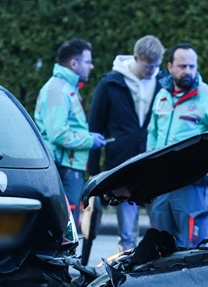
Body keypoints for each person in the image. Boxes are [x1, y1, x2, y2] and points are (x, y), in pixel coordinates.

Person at [147, 42, 208, 247]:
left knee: (194, 250)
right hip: (162, 185)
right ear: (170, 67)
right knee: (162, 248)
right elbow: (152, 133)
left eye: (192, 66)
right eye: (182, 66)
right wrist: (149, 170)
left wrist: (206, 172)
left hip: (192, 187)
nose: (187, 71)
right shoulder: (162, 95)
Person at [87, 35, 164, 254]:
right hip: (122, 165)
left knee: (160, 226)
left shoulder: (163, 83)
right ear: (136, 58)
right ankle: (126, 264)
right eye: (148, 66)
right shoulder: (110, 83)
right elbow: (95, 125)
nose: (152, 71)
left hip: (155, 164)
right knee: (127, 233)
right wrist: (94, 171)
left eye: (156, 66)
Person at [34, 38, 106, 260]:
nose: (91, 66)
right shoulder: (58, 90)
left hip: (68, 166)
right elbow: (59, 134)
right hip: (64, 168)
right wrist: (90, 140)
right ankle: (60, 269)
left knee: (67, 226)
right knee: (64, 228)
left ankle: (63, 267)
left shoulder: (65, 88)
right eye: (88, 61)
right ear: (74, 64)